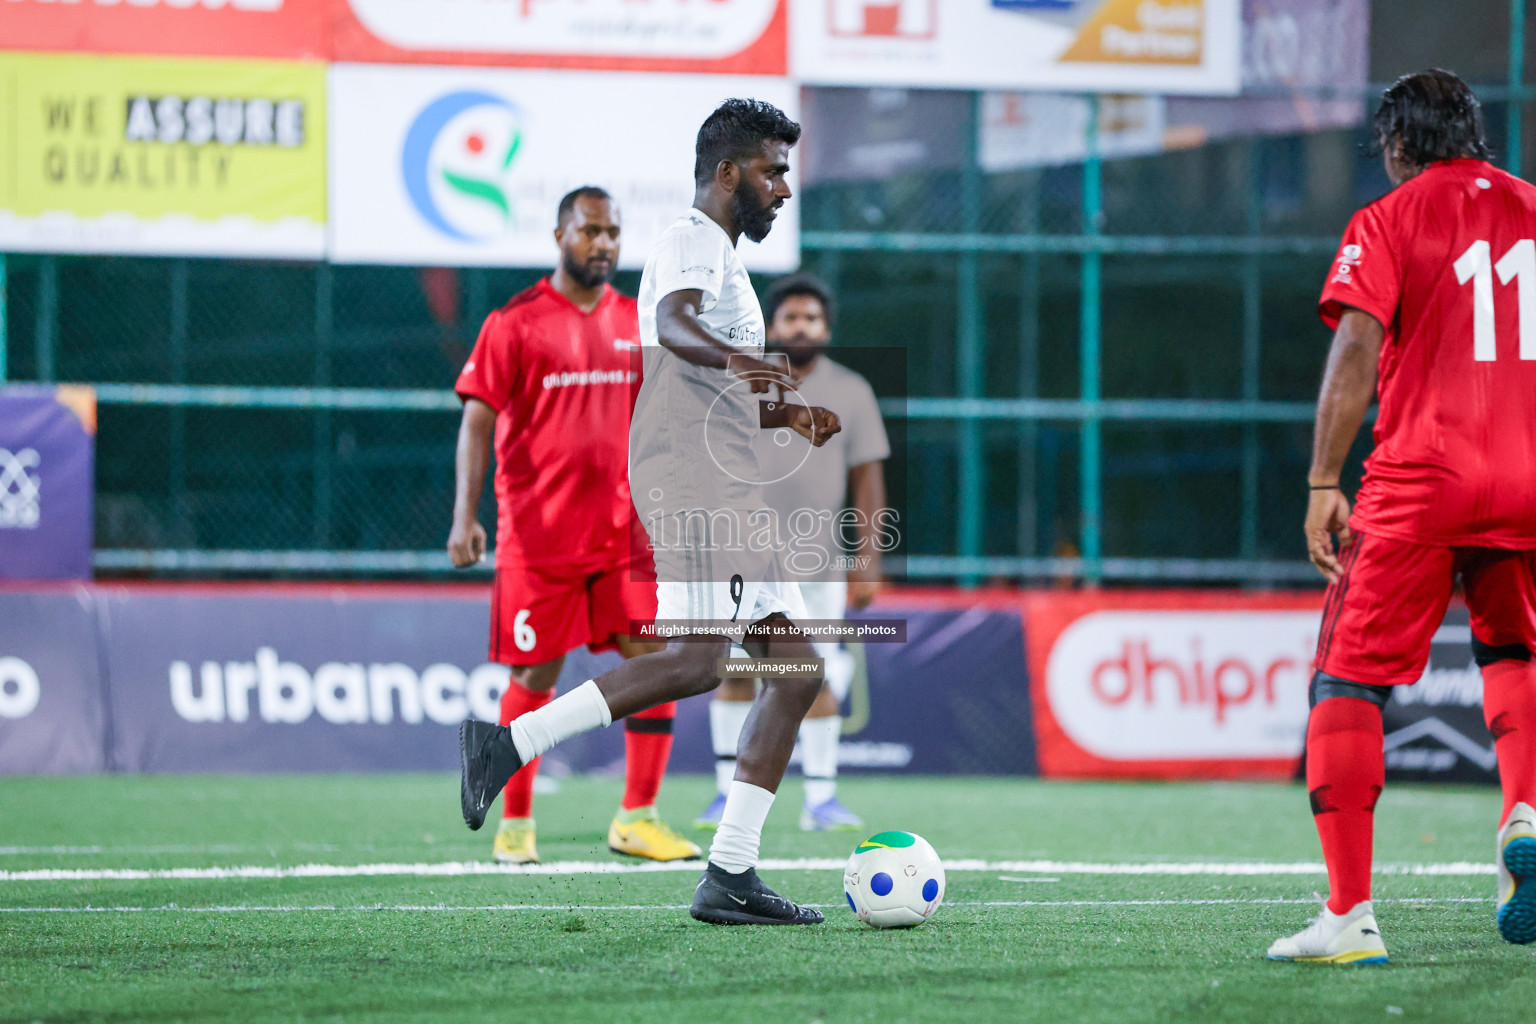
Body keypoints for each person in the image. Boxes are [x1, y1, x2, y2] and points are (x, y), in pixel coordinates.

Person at [458, 98, 843, 926]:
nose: (784, 189)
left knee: (798, 669)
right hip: (695, 480)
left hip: (726, 480)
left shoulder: (726, 260)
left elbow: (714, 370)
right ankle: (508, 745)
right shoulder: (687, 240)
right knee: (702, 662)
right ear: (730, 172)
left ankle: (731, 873)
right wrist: (768, 380)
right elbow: (673, 325)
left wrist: (788, 415)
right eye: (774, 171)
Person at [1268, 69, 1536, 964]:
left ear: (1395, 143)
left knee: (1345, 683)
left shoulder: (1389, 218)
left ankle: (1348, 917)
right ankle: (1523, 813)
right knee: (1514, 651)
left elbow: (1355, 346)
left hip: (1422, 480)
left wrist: (1321, 481)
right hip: (1529, 482)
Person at [448, 186, 700, 866]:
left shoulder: (634, 320)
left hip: (625, 537)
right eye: (590, 231)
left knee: (656, 662)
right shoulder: (516, 321)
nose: (605, 244)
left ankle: (638, 817)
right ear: (560, 235)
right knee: (536, 673)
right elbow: (477, 423)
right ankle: (515, 827)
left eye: (613, 232)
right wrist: (464, 517)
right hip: (540, 539)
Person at [696, 273, 890, 832]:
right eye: (790, 317)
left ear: (825, 327)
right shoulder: (743, 384)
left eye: (811, 317)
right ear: (772, 325)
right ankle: (721, 794)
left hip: (818, 564)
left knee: (818, 674)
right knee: (734, 672)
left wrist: (868, 559)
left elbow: (868, 480)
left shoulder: (852, 390)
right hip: (741, 556)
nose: (801, 325)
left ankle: (821, 801)